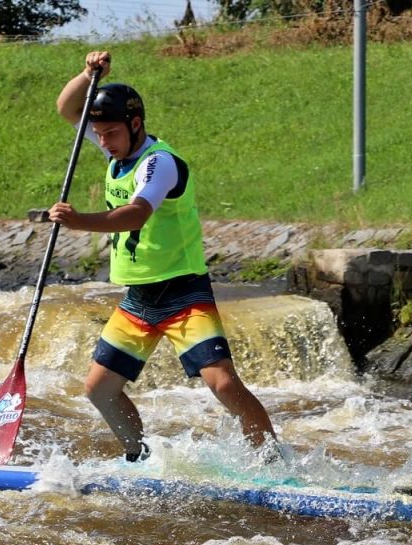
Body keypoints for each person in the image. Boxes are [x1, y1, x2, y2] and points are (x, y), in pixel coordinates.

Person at [49, 51, 277, 462]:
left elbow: (137, 213)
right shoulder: (115, 149)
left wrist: (79, 221)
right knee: (98, 390)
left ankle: (273, 460)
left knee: (223, 384)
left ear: (136, 125)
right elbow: (67, 108)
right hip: (139, 299)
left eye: (111, 133)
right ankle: (141, 458)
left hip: (183, 294)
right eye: (98, 134)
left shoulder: (160, 163)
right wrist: (87, 75)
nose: (103, 141)